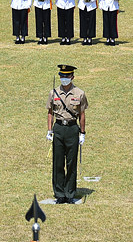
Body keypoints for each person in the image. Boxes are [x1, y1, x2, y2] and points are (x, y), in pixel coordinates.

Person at [47, 65, 87, 204]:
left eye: (67, 76)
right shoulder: (54, 92)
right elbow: (50, 112)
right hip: (58, 127)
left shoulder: (79, 93)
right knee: (58, 162)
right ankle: (59, 193)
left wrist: (82, 133)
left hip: (71, 128)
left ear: (72, 77)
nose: (64, 79)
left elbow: (82, 114)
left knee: (71, 162)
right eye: (62, 76)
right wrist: (49, 130)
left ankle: (70, 193)